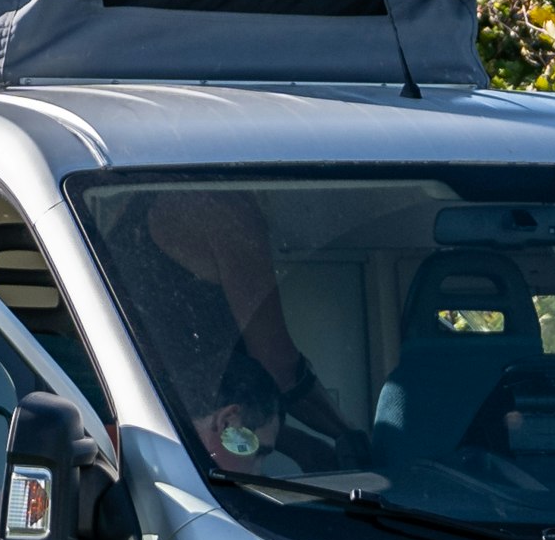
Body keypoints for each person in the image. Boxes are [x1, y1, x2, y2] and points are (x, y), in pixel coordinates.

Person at [121, 189, 370, 476]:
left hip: (149, 426)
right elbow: (278, 364)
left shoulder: (135, 198)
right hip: (182, 434)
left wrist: (298, 444)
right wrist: (351, 437)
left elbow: (187, 382)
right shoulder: (222, 206)